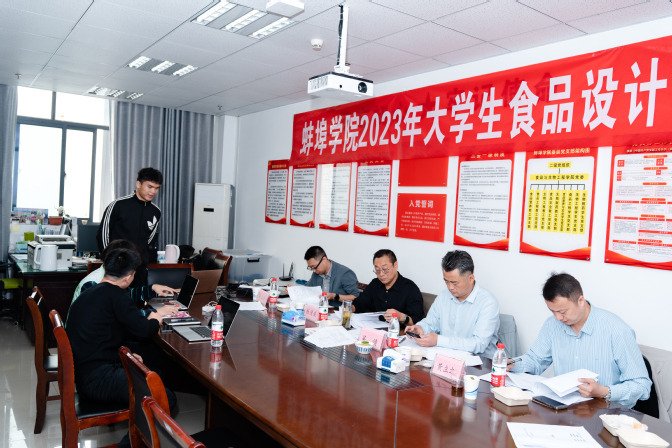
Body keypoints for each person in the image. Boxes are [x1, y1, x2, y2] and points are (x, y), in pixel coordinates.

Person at [66, 245, 176, 448]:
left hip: (86, 372)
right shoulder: (117, 295)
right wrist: (155, 318)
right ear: (128, 277)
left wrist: (128, 356)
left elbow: (102, 338)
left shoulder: (92, 292)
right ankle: (129, 444)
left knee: (154, 367)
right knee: (164, 397)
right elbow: (143, 330)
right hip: (96, 379)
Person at [508, 273, 651, 409]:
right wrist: (512, 364)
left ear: (580, 301)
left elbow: (641, 385)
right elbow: (535, 359)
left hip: (607, 413)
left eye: (563, 312)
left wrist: (603, 391)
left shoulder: (617, 330)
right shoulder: (552, 325)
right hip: (565, 409)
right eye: (552, 311)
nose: (558, 318)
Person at [404, 250, 500, 358]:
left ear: (470, 279)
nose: (450, 287)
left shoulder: (488, 303)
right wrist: (421, 328)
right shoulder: (444, 295)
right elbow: (431, 322)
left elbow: (478, 344)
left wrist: (438, 340)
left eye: (454, 283)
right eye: (446, 281)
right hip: (446, 358)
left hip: (479, 362)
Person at [66, 239, 178, 326]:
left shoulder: (111, 277)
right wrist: (154, 313)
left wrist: (152, 288)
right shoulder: (93, 283)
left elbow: (127, 296)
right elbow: (122, 315)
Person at [97, 167, 163, 287]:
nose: (153, 191)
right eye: (150, 186)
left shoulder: (156, 211)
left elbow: (149, 240)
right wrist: (112, 262)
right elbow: (103, 236)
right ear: (138, 184)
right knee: (115, 298)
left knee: (137, 298)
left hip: (139, 270)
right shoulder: (118, 205)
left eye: (157, 188)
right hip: (117, 270)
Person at [352, 249, 423, 326]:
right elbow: (360, 303)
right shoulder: (375, 284)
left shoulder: (411, 289)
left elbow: (417, 321)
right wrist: (350, 308)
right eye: (377, 270)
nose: (381, 274)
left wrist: (401, 317)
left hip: (398, 331)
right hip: (374, 327)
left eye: (385, 269)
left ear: (395, 265)